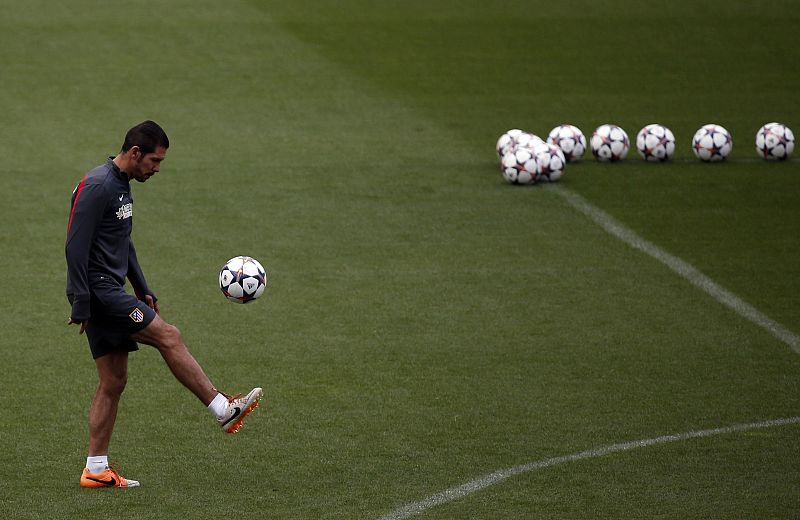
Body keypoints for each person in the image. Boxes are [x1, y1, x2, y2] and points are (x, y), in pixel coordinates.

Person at [66, 120, 263, 488]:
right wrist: (80, 302)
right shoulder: (97, 186)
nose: (157, 169)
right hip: (100, 293)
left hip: (110, 290)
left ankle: (95, 469)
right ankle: (223, 408)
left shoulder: (121, 185)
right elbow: (75, 246)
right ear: (135, 152)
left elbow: (123, 242)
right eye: (154, 161)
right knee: (169, 335)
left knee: (113, 381)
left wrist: (142, 287)